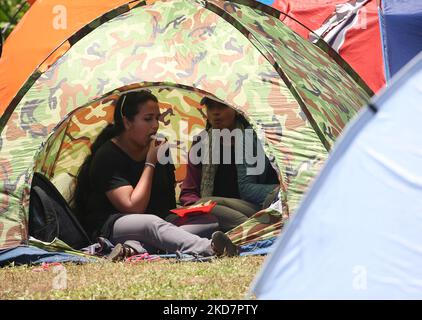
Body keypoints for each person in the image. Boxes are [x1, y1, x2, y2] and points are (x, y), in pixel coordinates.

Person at [73, 91, 238, 259]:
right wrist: (150, 163)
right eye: (148, 119)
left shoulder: (160, 147)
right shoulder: (107, 156)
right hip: (113, 224)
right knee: (151, 224)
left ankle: (133, 249)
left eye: (157, 118)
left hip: (154, 223)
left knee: (209, 220)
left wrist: (185, 213)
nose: (155, 125)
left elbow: (164, 204)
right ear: (127, 122)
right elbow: (133, 207)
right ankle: (210, 248)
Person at [180, 97, 279, 232]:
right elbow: (189, 191)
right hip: (215, 211)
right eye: (210, 107)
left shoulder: (255, 139)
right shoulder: (201, 143)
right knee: (201, 204)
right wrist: (195, 209)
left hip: (251, 207)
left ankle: (253, 231)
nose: (216, 113)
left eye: (221, 107)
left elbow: (271, 183)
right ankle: (253, 231)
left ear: (235, 109)